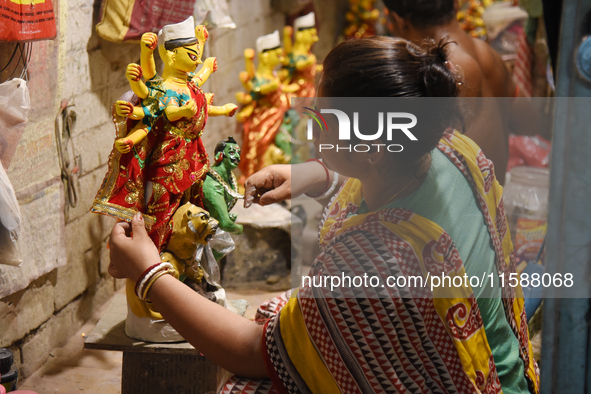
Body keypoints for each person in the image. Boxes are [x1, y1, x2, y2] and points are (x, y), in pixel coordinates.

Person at [108, 37, 539, 393]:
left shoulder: (372, 259)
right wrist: (318, 175)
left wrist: (149, 274)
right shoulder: (451, 148)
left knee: (249, 387)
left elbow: (255, 352)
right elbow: (392, 188)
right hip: (508, 375)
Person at [382, 0, 529, 185]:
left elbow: (412, 162)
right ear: (456, 5)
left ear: (399, 21)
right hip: (492, 202)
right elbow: (530, 122)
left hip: (462, 209)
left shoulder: (441, 71)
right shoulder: (488, 54)